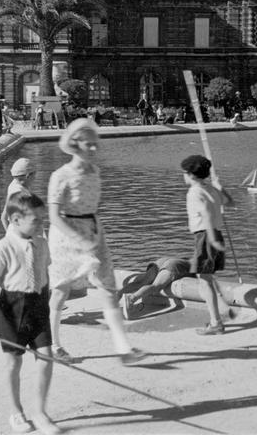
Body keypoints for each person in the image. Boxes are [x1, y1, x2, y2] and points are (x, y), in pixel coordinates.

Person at [47, 119, 146, 365]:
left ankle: (123, 348)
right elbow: (53, 216)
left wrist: (94, 234)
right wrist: (77, 238)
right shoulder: (60, 176)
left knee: (108, 289)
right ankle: (53, 344)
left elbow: (94, 206)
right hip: (66, 235)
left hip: (93, 230)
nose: (93, 149)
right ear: (74, 144)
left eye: (95, 145)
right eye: (88, 145)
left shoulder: (95, 172)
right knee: (61, 290)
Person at [0, 192, 62, 435]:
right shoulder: (4, 247)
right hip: (12, 308)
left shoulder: (42, 242)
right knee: (13, 362)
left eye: (43, 219)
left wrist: (45, 302)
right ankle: (16, 412)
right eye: (36, 220)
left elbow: (44, 273)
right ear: (16, 220)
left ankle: (40, 412)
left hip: (38, 305)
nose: (42, 224)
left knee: (46, 358)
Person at [182, 154, 229, 335]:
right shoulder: (212, 189)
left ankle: (216, 322)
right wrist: (220, 188)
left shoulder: (194, 192)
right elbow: (230, 202)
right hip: (216, 234)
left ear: (191, 175)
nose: (183, 176)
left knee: (204, 281)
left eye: (184, 173)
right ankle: (216, 318)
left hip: (205, 236)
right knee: (207, 279)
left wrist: (211, 240)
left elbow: (206, 214)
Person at [1, 158, 36, 230]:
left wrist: (9, 236)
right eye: (34, 174)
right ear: (27, 176)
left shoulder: (14, 186)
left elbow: (4, 217)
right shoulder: (20, 193)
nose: (35, 178)